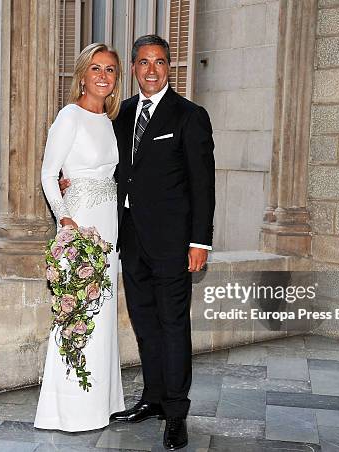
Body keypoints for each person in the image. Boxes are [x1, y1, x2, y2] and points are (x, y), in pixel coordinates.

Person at [62, 35, 215, 450]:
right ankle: (152, 399)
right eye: (144, 62)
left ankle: (177, 413)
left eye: (160, 62)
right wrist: (69, 181)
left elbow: (203, 186)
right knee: (146, 325)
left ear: (170, 68)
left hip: (173, 244)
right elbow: (104, 167)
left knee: (174, 326)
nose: (151, 70)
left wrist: (200, 242)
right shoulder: (122, 114)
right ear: (133, 68)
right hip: (128, 241)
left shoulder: (190, 116)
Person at [34, 43, 125, 432]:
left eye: (110, 70)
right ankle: (69, 410)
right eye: (96, 69)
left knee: (102, 315)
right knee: (76, 313)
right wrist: (65, 219)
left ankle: (101, 404)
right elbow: (48, 173)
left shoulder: (111, 120)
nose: (103, 76)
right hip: (80, 224)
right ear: (83, 75)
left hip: (109, 226)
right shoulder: (68, 116)